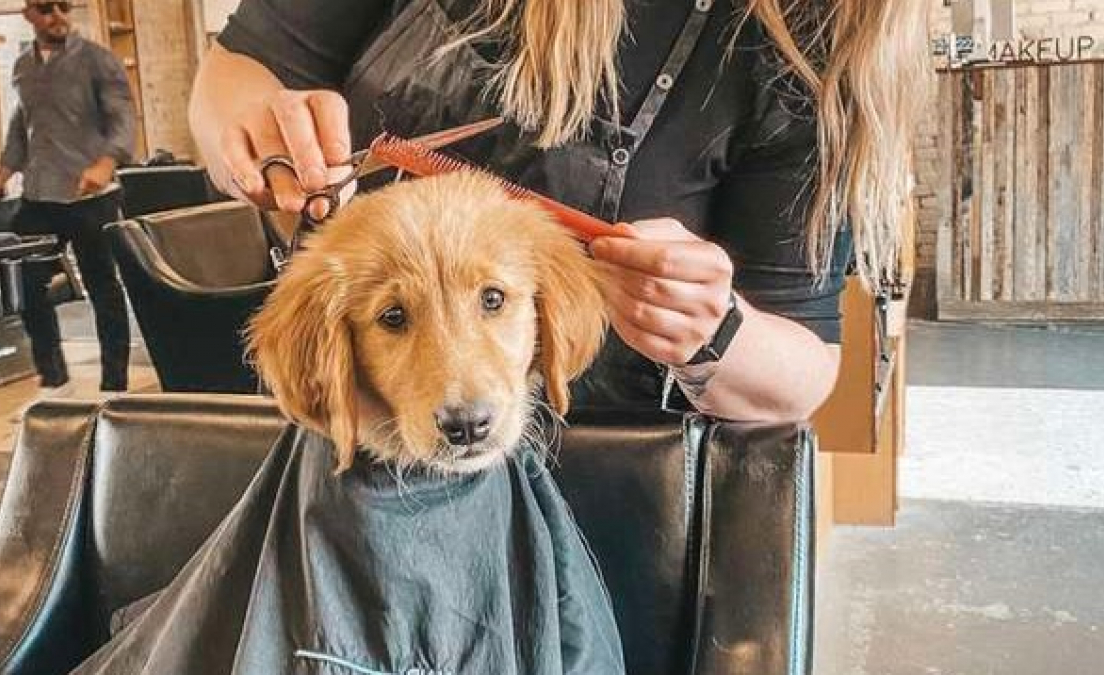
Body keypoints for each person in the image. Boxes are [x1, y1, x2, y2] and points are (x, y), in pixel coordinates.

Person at [190, 0, 929, 421]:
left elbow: (802, 367)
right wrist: (256, 131)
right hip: (360, 434)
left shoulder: (813, 39)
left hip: (601, 479)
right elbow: (234, 71)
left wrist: (712, 328)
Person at [0, 0, 135, 393]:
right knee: (25, 281)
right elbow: (23, 125)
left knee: (102, 284)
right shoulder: (23, 66)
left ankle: (114, 382)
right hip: (41, 193)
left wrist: (105, 164)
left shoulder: (98, 61)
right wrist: (4, 172)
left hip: (91, 196)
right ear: (29, 15)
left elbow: (122, 117)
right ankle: (52, 374)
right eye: (47, 8)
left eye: (64, 7)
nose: (58, 16)